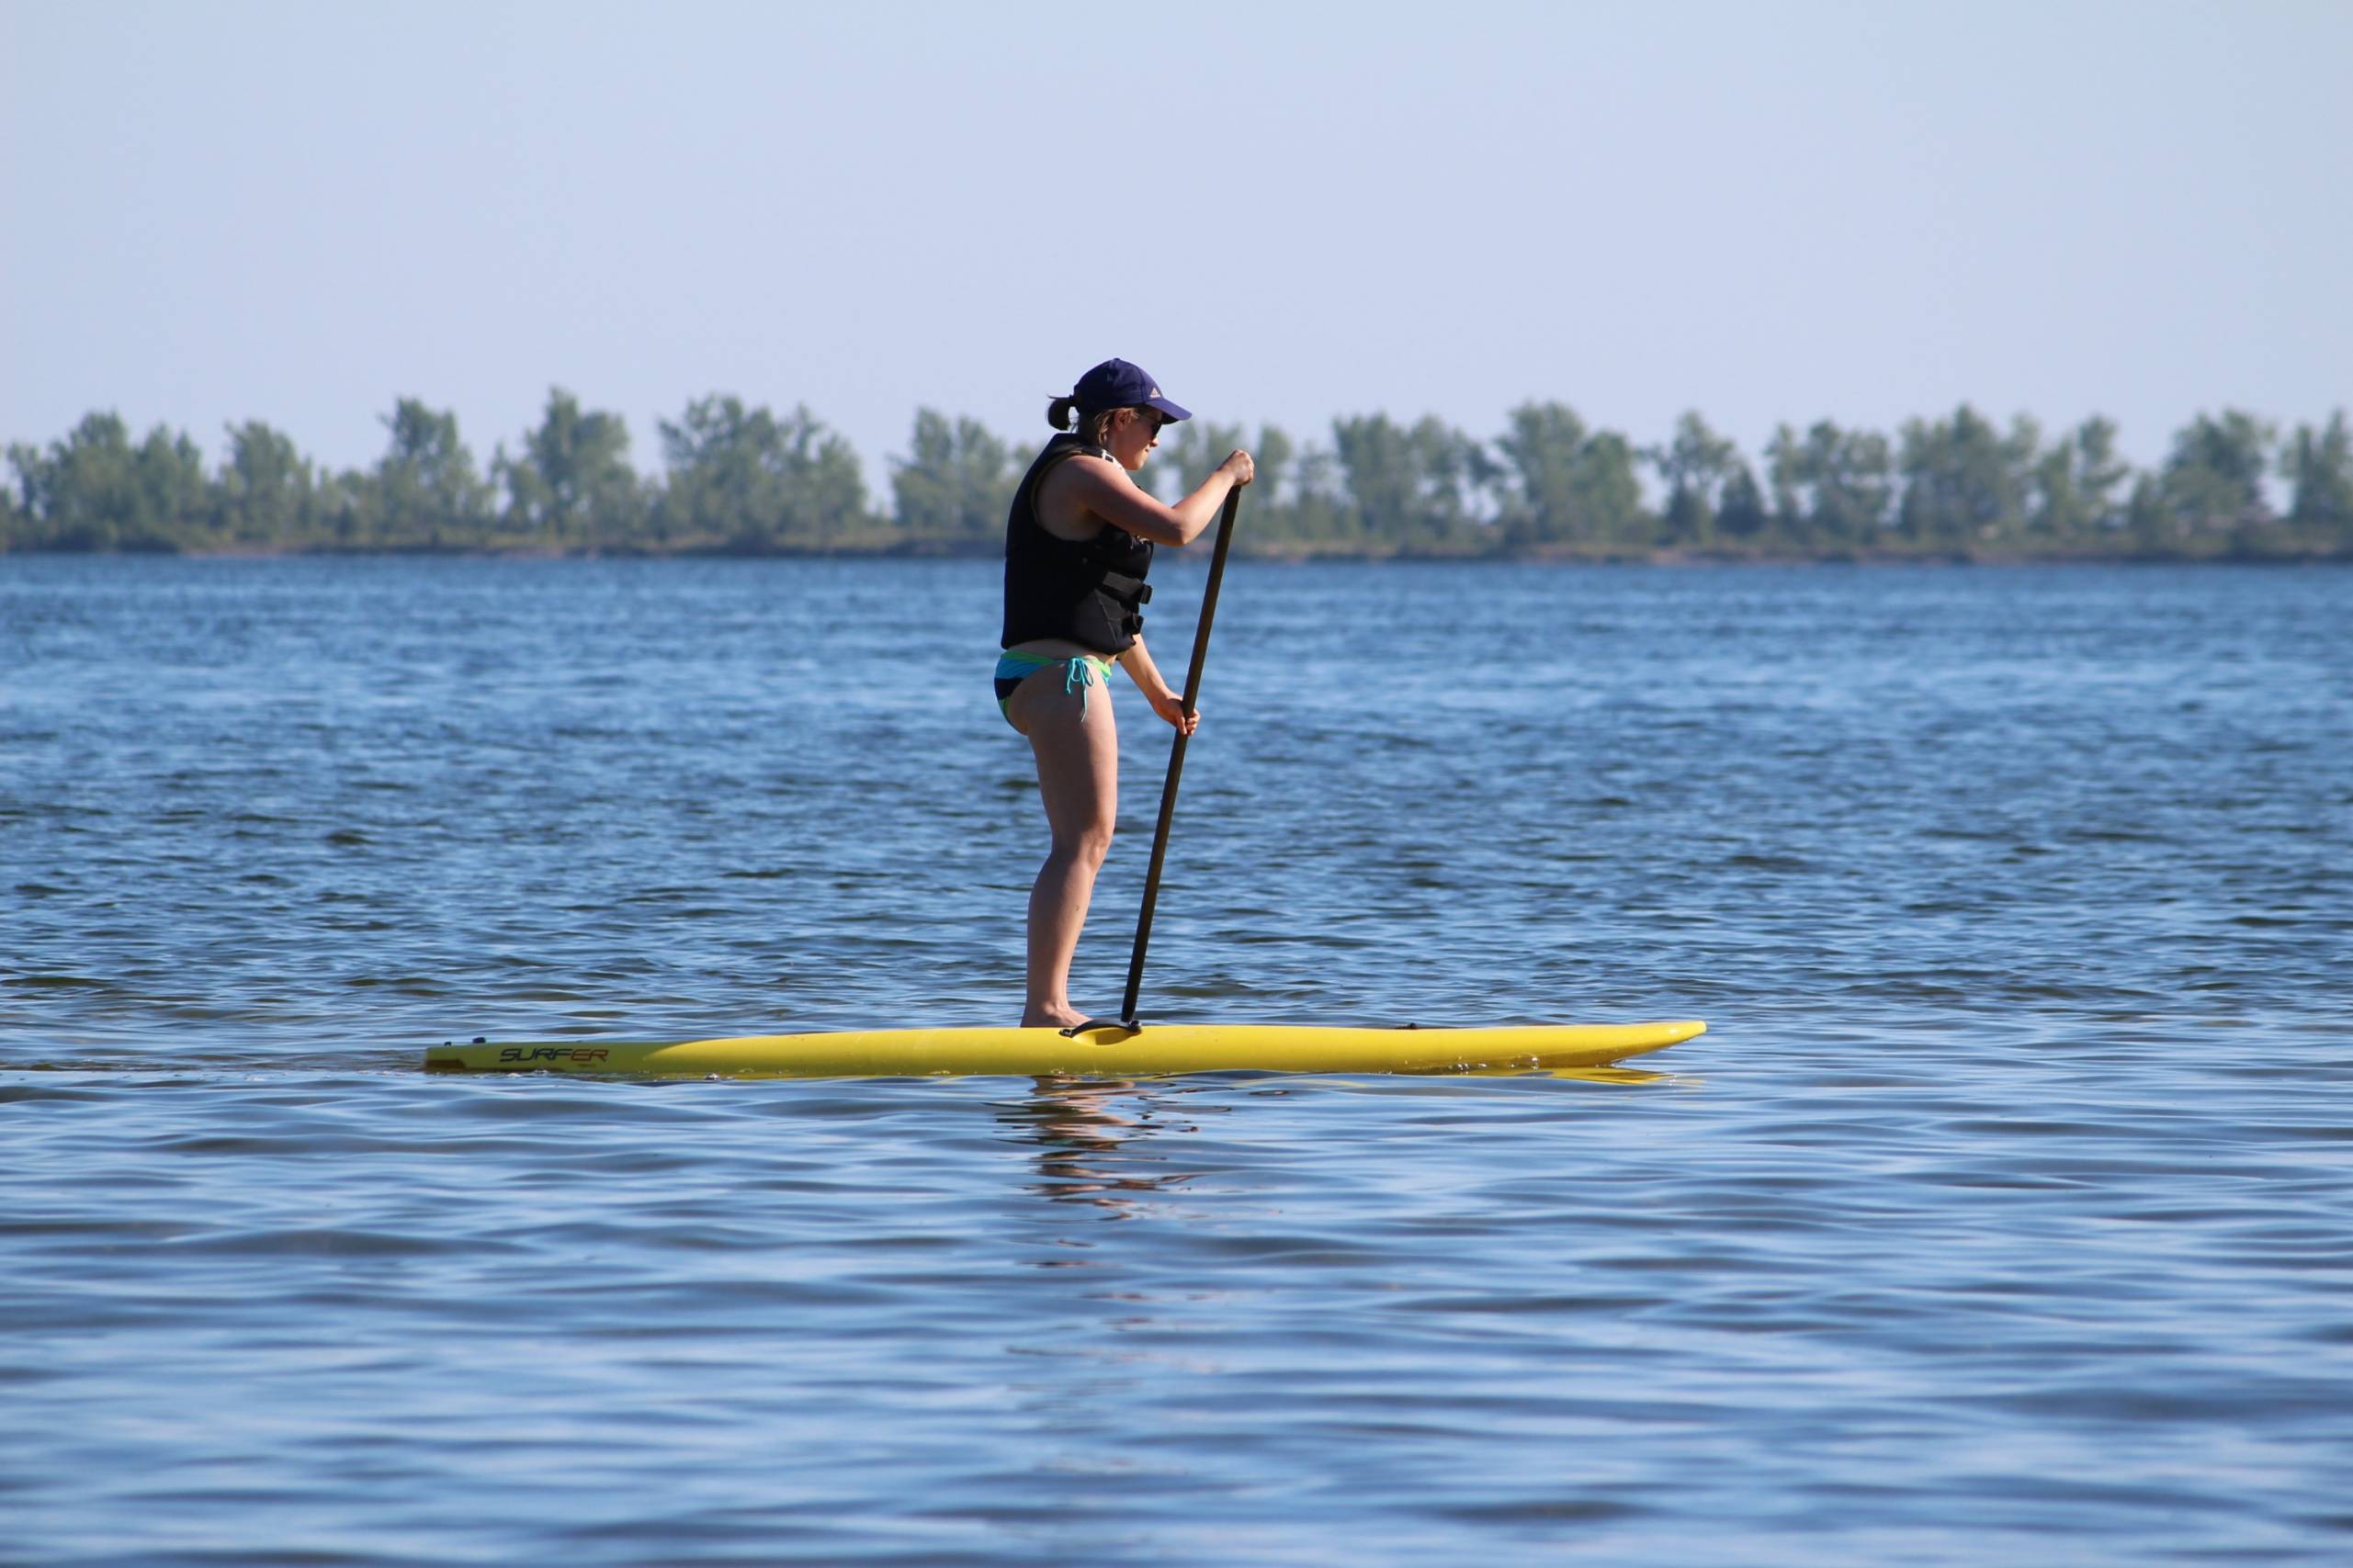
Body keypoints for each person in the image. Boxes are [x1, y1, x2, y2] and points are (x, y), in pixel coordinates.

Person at [997, 357, 1253, 1028]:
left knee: (1085, 838)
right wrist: (1225, 476)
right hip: (1061, 676)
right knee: (1082, 838)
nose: (1159, 438)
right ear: (1115, 421)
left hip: (1059, 670)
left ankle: (1045, 1004)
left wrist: (1160, 695)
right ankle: (1046, 1007)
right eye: (1153, 422)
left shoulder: (1092, 479)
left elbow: (1104, 615)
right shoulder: (1080, 470)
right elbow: (1176, 528)